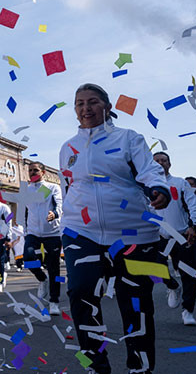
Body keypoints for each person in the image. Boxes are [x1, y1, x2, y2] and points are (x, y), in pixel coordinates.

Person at [59, 83, 170, 374]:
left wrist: (158, 188)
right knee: (80, 292)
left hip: (132, 232)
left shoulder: (129, 138)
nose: (86, 108)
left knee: (136, 301)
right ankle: (94, 365)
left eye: (92, 102)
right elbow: (67, 187)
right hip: (81, 232)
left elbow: (149, 169)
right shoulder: (67, 148)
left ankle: (140, 368)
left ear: (107, 107)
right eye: (79, 103)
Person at [152, 152, 196, 325]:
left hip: (181, 235)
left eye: (163, 160)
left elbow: (192, 205)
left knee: (188, 273)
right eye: (156, 161)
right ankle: (172, 286)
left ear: (169, 164)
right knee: (156, 267)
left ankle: (188, 311)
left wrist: (193, 226)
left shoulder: (180, 183)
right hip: (158, 236)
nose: (160, 163)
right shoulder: (146, 185)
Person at [23, 161, 64, 315]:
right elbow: (24, 211)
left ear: (43, 172)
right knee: (28, 257)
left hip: (52, 232)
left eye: (35, 170)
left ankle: (54, 302)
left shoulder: (53, 187)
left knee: (54, 268)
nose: (32, 173)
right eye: (30, 170)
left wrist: (55, 214)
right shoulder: (26, 190)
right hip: (33, 232)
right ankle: (42, 278)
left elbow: (59, 205)